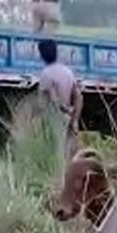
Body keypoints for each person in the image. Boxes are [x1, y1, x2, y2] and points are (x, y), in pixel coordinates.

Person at [37, 39, 81, 168]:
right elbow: (78, 96)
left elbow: (52, 97)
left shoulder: (46, 73)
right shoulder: (68, 72)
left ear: (42, 55)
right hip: (67, 118)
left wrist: (63, 108)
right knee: (68, 152)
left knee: (54, 152)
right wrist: (75, 118)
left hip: (53, 117)